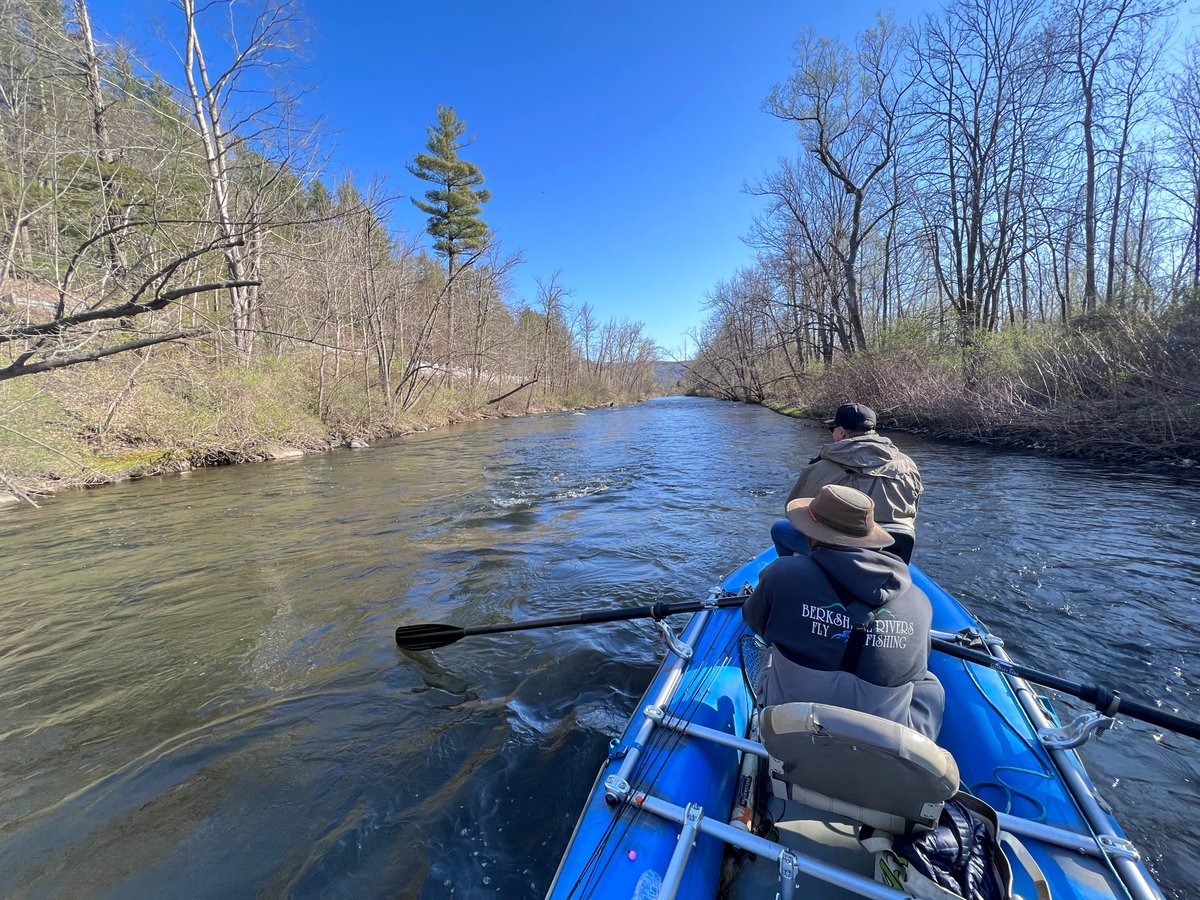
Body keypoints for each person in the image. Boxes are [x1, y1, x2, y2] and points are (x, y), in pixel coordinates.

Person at [744, 483, 944, 739]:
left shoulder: (782, 574)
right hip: (880, 745)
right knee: (930, 683)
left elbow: (756, 623)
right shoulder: (919, 601)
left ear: (811, 532)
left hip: (791, 725)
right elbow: (915, 669)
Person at [771, 403, 922, 563]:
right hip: (896, 548)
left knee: (780, 528)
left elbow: (794, 513)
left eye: (832, 429)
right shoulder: (908, 464)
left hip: (843, 552)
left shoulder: (819, 468)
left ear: (841, 432)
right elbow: (913, 509)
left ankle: (797, 574)